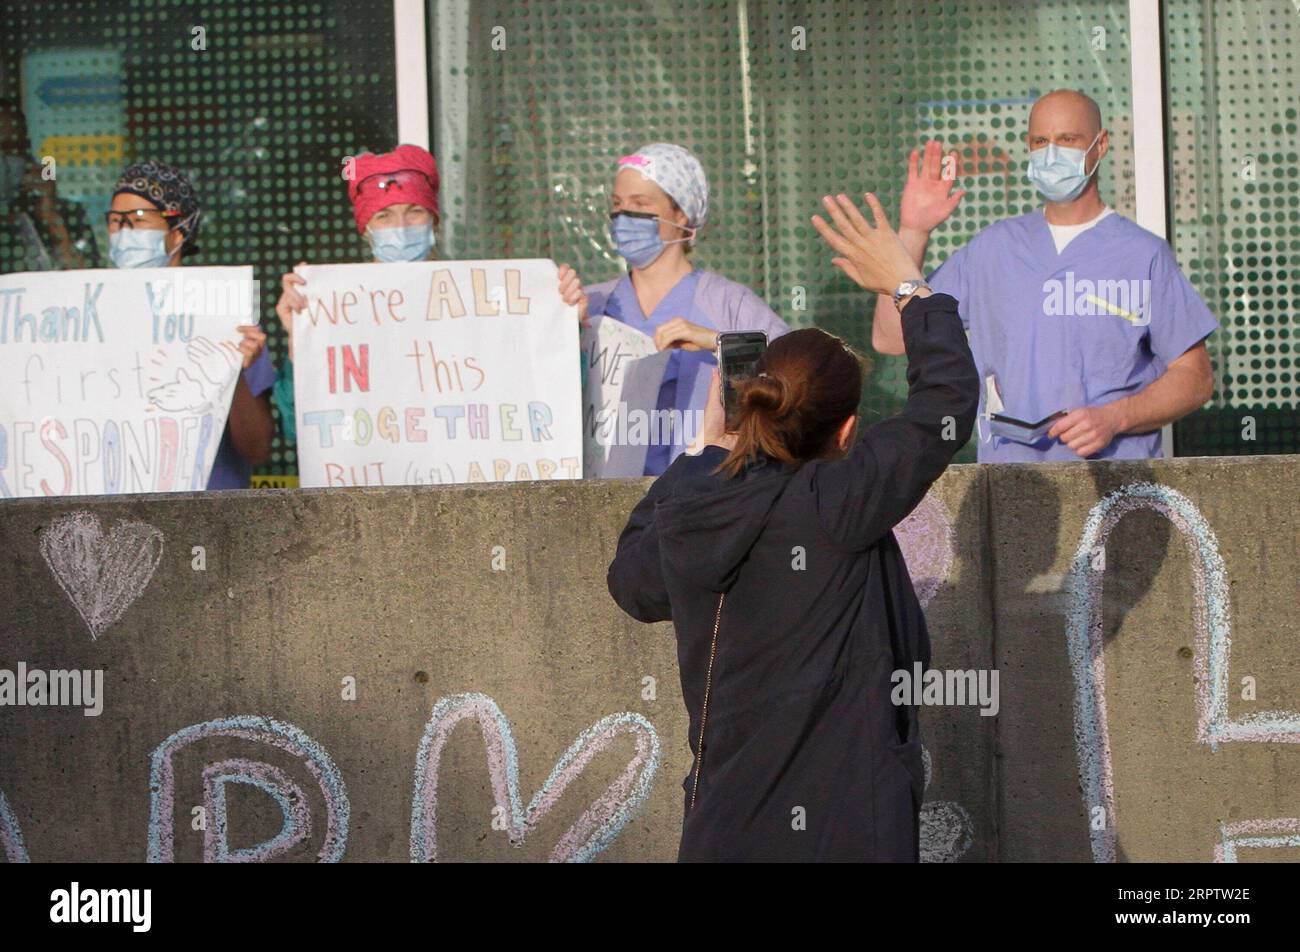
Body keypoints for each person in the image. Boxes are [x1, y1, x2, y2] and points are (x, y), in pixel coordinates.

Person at [606, 192, 979, 861]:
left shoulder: (695, 502)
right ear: (846, 431)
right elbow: (945, 404)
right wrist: (908, 285)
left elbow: (632, 583)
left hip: (723, 832)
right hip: (850, 833)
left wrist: (700, 455)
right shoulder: (839, 503)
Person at [871, 89, 1217, 461]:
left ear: (1100, 146)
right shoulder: (993, 249)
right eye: (1041, 141)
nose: (1052, 153)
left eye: (1068, 140)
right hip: (1013, 488)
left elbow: (1195, 378)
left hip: (1114, 491)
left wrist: (1116, 418)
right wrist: (914, 231)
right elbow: (893, 338)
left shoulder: (1142, 255)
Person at [272, 143, 586, 443]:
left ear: (434, 222)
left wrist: (562, 328)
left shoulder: (477, 303)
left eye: (414, 212)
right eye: (384, 216)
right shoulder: (338, 313)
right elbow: (300, 430)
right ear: (366, 231)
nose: (401, 226)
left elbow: (548, 401)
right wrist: (302, 342)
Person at [584, 142, 790, 475]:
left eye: (640, 204)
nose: (624, 218)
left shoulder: (727, 304)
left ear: (682, 214)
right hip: (609, 497)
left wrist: (718, 343)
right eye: (617, 205)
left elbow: (795, 372)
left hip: (704, 495)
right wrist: (563, 319)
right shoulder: (592, 303)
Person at [108, 161, 275, 488]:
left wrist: (234, 369)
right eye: (116, 222)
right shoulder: (96, 316)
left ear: (178, 232)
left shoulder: (225, 313)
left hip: (209, 519)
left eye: (139, 220)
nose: (124, 232)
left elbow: (257, 449)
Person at [0, 96, 98, 272]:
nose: (4, 163)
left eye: (11, 149)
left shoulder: (67, 214)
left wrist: (51, 217)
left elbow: (89, 280)